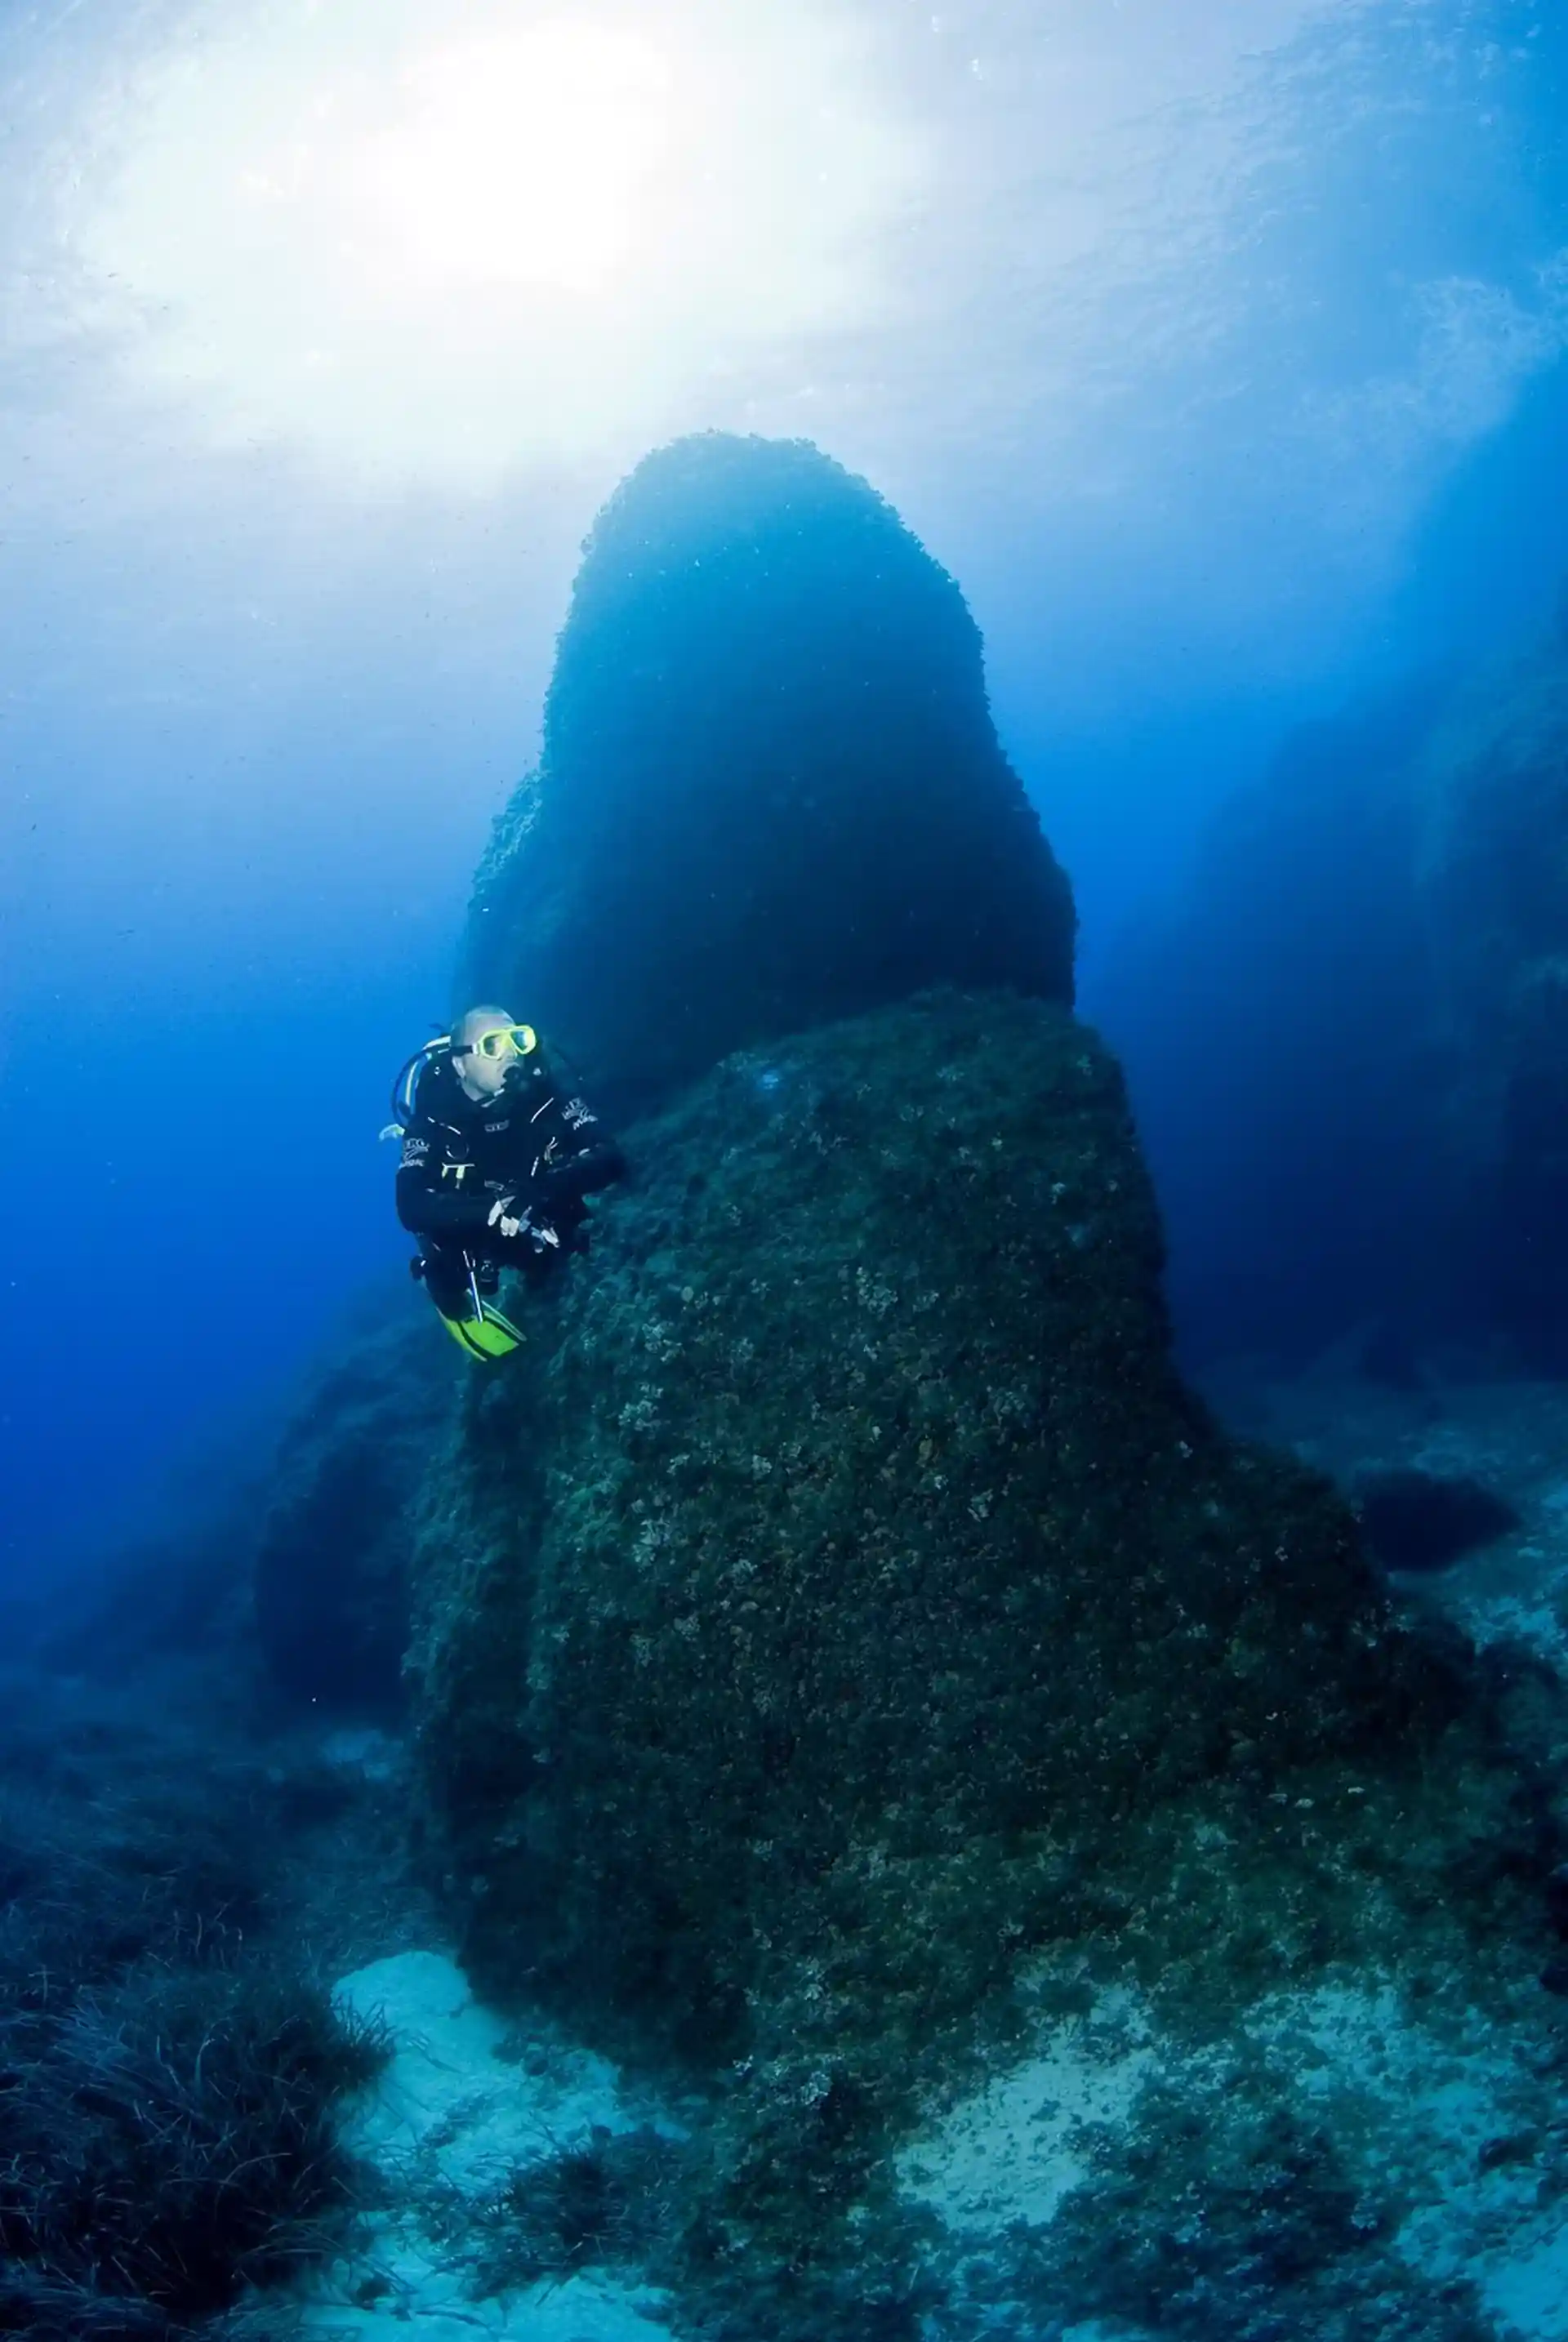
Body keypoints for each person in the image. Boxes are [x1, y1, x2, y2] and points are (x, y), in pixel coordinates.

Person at [390, 1005, 625, 1359]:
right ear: (460, 1065)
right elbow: (410, 1205)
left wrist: (540, 1192)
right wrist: (492, 1211)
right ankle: (436, 1281)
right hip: (469, 1228)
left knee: (556, 1259)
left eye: (517, 1039)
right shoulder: (433, 1121)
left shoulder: (544, 1094)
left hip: (537, 1212)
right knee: (448, 1277)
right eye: (492, 1046)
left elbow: (610, 1157)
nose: (511, 1052)